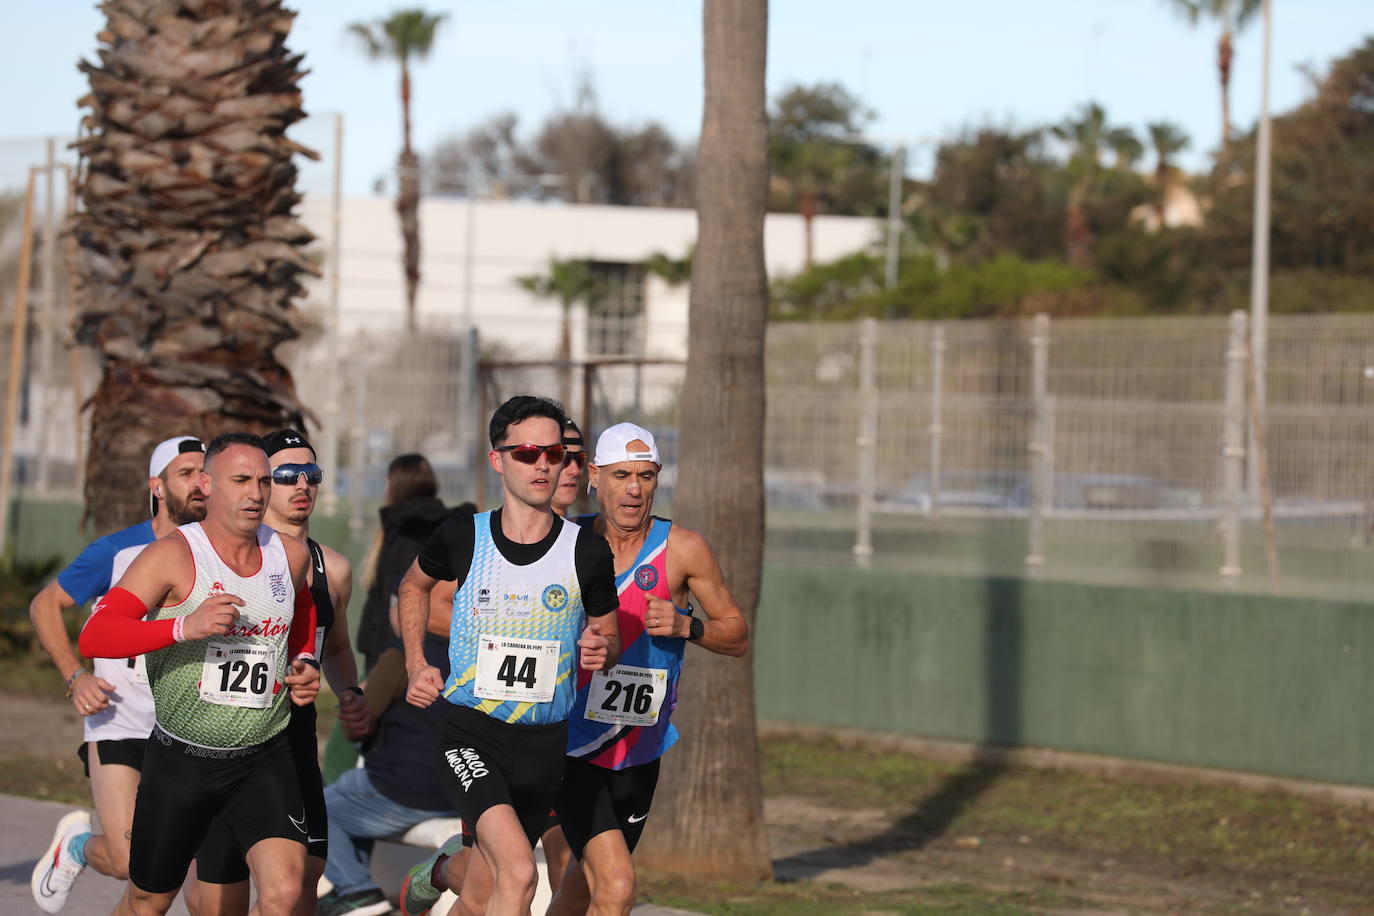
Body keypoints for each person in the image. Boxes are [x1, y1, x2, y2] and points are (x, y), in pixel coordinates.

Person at [77, 432, 322, 916]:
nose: (255, 493)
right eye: (240, 480)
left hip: (262, 755)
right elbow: (96, 635)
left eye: (263, 480)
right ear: (207, 485)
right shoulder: (173, 554)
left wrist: (305, 661)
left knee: (285, 893)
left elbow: (304, 609)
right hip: (182, 761)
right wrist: (184, 626)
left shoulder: (289, 555)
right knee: (149, 901)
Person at [396, 395, 621, 916]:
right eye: (526, 453)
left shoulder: (585, 551)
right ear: (498, 459)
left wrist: (600, 649)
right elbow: (413, 587)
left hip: (544, 745)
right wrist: (415, 663)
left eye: (554, 453)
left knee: (483, 891)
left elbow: (609, 642)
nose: (542, 464)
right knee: (520, 874)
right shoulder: (462, 536)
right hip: (471, 733)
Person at [547, 422, 750, 916]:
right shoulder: (565, 545)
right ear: (594, 476)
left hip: (639, 748)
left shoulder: (682, 549)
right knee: (616, 888)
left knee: (579, 892)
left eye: (645, 475)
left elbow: (737, 634)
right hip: (570, 745)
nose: (634, 489)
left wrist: (688, 628)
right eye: (621, 475)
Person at [194, 429, 369, 916]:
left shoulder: (332, 567)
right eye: (287, 476)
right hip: (223, 739)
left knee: (300, 884)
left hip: (292, 740)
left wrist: (349, 692)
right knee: (215, 897)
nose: (302, 486)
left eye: (311, 476)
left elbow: (334, 645)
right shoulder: (218, 557)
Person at [29, 435, 207, 914]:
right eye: (186, 473)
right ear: (157, 484)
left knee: (192, 877)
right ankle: (77, 847)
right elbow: (46, 603)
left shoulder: (218, 553)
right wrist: (75, 676)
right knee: (132, 860)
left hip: (191, 730)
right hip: (121, 720)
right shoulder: (117, 550)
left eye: (204, 473)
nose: (199, 484)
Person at [318, 580, 460, 916]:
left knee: (316, 806)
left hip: (400, 791)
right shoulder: (476, 656)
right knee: (348, 800)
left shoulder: (405, 656)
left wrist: (356, 710)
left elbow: (359, 724)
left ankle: (357, 891)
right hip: (459, 792)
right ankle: (353, 892)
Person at [356, 454, 467, 671]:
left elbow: (399, 598)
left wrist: (382, 658)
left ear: (394, 484)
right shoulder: (436, 527)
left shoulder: (409, 535)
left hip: (400, 654)